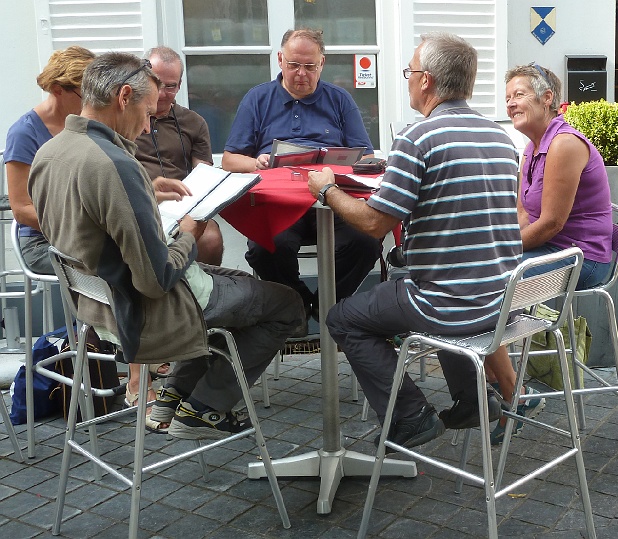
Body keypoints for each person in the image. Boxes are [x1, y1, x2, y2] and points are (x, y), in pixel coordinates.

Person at [28, 52, 305, 440]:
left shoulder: (52, 151)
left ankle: (174, 393)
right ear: (124, 96)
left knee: (233, 289)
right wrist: (192, 228)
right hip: (146, 312)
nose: (146, 126)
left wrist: (146, 194)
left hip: (96, 307)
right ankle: (204, 409)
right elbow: (158, 279)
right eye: (146, 111)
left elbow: (89, 219)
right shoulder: (114, 165)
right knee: (287, 304)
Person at [307, 32, 522, 450]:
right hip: (498, 302)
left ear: (425, 81)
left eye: (409, 71)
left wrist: (327, 189)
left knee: (341, 318)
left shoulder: (418, 137)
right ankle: (472, 401)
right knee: (440, 285)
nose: (406, 78)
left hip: (447, 306)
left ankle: (411, 415)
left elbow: (373, 224)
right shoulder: (502, 138)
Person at [483, 62, 614, 445]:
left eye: (518, 95)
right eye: (507, 98)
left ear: (547, 98)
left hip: (582, 259)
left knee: (485, 283)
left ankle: (508, 393)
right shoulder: (531, 148)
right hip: (551, 249)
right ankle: (501, 388)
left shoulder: (564, 144)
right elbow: (525, 213)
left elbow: (551, 224)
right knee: (477, 276)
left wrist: (501, 252)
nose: (510, 104)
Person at [221, 28, 381, 329]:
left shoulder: (339, 100)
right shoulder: (258, 98)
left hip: (333, 199)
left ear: (322, 64)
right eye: (294, 64)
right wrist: (257, 162)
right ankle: (295, 301)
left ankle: (325, 307)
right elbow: (230, 160)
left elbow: (364, 156)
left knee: (367, 242)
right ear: (280, 60)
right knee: (265, 246)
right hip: (280, 203)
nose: (302, 73)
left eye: (310, 66)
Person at [4, 46, 96, 275]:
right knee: (109, 265)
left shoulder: (87, 124)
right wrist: (77, 229)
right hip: (41, 243)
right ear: (57, 90)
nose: (93, 103)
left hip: (85, 237)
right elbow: (22, 209)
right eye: (86, 96)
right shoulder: (24, 133)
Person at [135, 46, 224, 267]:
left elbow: (203, 173)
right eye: (156, 84)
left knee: (211, 239)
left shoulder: (194, 122)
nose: (162, 93)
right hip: (141, 204)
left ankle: (205, 297)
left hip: (183, 205)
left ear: (180, 86)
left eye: (171, 86)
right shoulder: (126, 119)